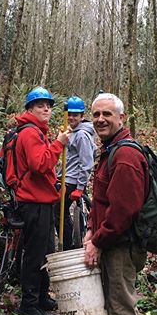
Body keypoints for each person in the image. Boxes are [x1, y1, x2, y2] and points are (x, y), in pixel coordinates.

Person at [82, 93, 150, 315]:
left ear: (121, 118)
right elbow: (101, 200)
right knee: (124, 304)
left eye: (107, 114)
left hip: (121, 246)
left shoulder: (125, 156)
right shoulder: (110, 149)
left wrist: (98, 240)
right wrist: (89, 229)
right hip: (112, 241)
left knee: (119, 311)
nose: (100, 120)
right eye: (96, 114)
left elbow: (122, 213)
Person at [9, 87, 69, 315]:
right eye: (40, 105)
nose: (46, 109)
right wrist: (59, 144)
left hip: (41, 200)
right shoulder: (31, 133)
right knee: (35, 255)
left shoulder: (36, 131)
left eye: (48, 105)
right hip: (32, 202)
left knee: (46, 252)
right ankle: (29, 304)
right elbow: (39, 164)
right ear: (29, 109)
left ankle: (42, 297)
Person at [54, 96, 97, 250]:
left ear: (82, 116)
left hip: (72, 181)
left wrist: (79, 187)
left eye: (75, 115)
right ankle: (71, 238)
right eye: (69, 114)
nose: (71, 117)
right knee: (59, 211)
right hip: (66, 177)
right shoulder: (73, 131)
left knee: (58, 213)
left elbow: (87, 163)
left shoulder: (82, 135)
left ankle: (67, 246)